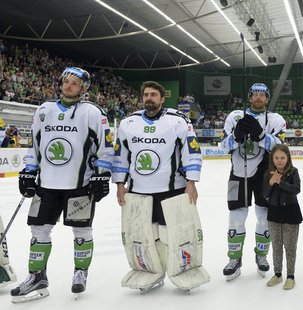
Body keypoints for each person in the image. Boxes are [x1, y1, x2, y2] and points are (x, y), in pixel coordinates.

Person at [11, 67, 113, 302]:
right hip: (46, 184)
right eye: (65, 81)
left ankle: (80, 272)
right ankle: (37, 276)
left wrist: (102, 175)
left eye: (74, 83)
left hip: (80, 184)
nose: (68, 86)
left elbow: (105, 148)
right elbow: (35, 145)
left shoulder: (93, 112)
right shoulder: (44, 110)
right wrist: (28, 172)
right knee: (38, 230)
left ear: (83, 88)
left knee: (82, 230)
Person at [112, 81, 209, 293]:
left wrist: (191, 183)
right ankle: (153, 271)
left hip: (172, 189)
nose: (149, 98)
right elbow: (121, 156)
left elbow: (191, 152)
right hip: (139, 191)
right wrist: (120, 184)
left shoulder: (177, 121)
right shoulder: (128, 123)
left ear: (162, 98)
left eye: (154, 94)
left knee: (175, 233)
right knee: (146, 234)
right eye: (146, 94)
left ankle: (181, 268)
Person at [221, 83, 286, 281]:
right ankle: (234, 259)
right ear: (250, 97)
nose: (258, 98)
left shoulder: (276, 120)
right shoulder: (234, 117)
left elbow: (282, 148)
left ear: (267, 98)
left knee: (264, 216)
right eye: (255, 94)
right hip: (236, 175)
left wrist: (261, 135)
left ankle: (261, 256)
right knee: (235, 217)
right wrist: (235, 136)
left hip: (264, 175)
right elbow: (223, 146)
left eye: (262, 95)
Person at [262, 144, 302, 290]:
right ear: (272, 158)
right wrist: (271, 183)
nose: (279, 160)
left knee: (290, 247)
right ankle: (277, 274)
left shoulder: (293, 172)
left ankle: (290, 276)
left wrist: (280, 182)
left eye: (282, 157)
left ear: (288, 158)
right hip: (274, 213)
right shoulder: (268, 174)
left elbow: (296, 189)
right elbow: (264, 194)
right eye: (277, 157)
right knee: (276, 246)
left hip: (291, 213)